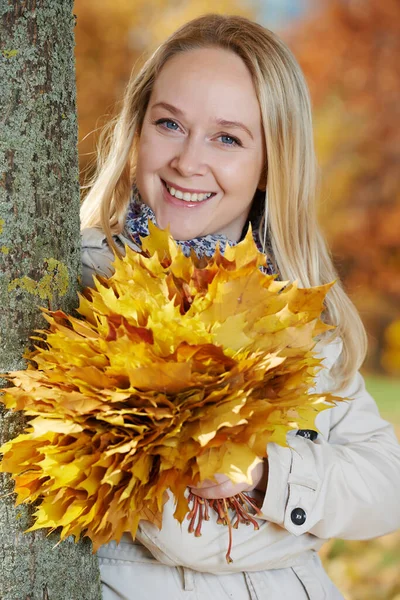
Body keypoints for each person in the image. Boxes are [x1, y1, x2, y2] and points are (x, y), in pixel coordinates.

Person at [80, 13, 400, 600]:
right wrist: (308, 529)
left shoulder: (294, 306)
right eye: (170, 124)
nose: (187, 161)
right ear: (137, 129)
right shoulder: (85, 283)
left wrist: (265, 474)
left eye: (227, 138)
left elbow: (389, 485)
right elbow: (184, 537)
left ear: (269, 165)